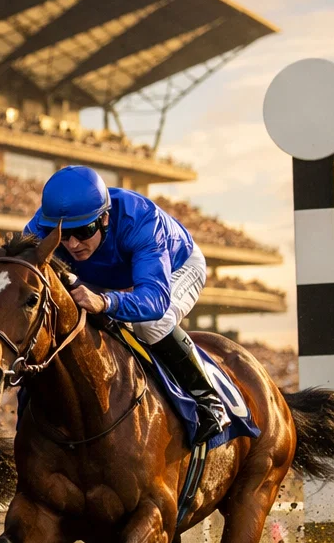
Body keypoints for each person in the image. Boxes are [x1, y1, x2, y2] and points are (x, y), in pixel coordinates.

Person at [24, 165, 227, 445]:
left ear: (104, 218)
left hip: (174, 269)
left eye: (83, 231)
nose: (72, 244)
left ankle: (209, 401)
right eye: (63, 234)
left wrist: (106, 301)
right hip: (105, 278)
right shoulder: (39, 228)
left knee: (150, 324)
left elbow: (154, 300)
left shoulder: (142, 222)